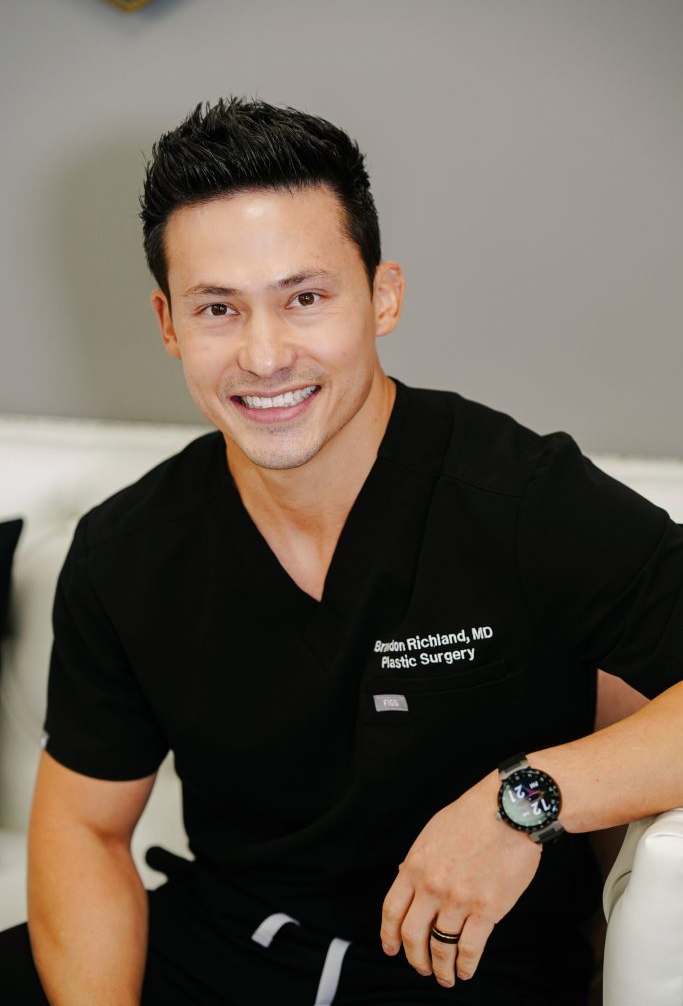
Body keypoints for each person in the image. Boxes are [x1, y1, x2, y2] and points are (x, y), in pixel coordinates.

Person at [2, 97, 682, 1006]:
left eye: (305, 297)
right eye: (217, 309)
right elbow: (83, 832)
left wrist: (523, 800)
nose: (265, 354)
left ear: (383, 296)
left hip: (466, 968)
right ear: (168, 325)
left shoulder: (519, 498)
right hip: (226, 947)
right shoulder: (127, 550)